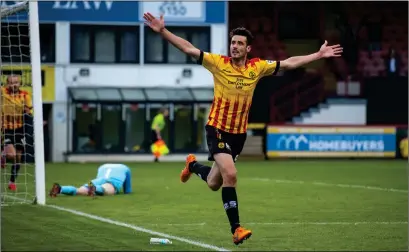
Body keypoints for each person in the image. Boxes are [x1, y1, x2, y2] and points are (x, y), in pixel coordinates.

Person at [143, 12, 342, 245]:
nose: (235, 46)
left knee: (214, 183)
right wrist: (163, 32)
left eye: (240, 43)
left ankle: (193, 165)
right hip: (216, 128)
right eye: (233, 42)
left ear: (248, 49)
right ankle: (236, 229)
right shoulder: (218, 63)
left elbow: (288, 63)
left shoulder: (256, 68)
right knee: (231, 174)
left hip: (238, 135)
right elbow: (189, 49)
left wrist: (318, 55)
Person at [1, 75, 33, 191]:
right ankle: (3, 154)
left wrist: (28, 112)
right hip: (6, 128)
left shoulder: (25, 95)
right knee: (12, 155)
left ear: (20, 83)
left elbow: (29, 111)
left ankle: (12, 181)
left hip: (20, 129)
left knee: (18, 157)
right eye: (11, 83)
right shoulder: (2, 92)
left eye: (16, 82)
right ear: (7, 84)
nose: (14, 85)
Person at [49, 163, 132, 197]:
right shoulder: (125, 168)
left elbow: (99, 178)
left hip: (96, 180)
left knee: (79, 190)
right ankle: (95, 189)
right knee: (105, 189)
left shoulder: (103, 166)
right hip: (112, 182)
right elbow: (127, 190)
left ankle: (61, 188)